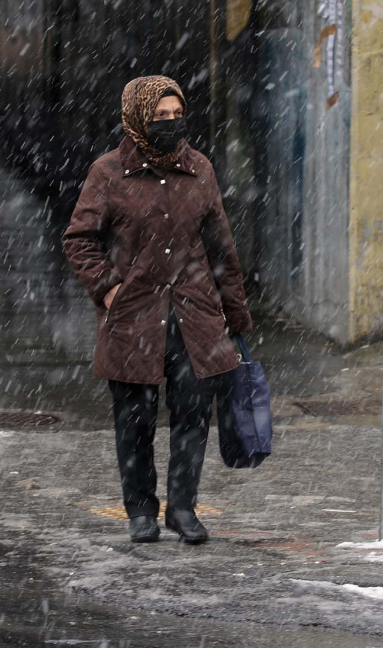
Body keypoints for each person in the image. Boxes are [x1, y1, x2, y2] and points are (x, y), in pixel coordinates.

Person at [62, 76, 253, 545]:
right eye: (159, 116)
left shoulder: (200, 169)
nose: (170, 124)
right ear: (137, 118)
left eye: (175, 115)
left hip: (194, 316)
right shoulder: (109, 173)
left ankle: (183, 508)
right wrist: (109, 291)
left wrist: (236, 316)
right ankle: (141, 511)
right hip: (135, 317)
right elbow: (79, 240)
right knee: (134, 421)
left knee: (192, 417)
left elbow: (221, 249)